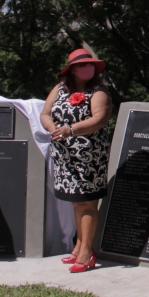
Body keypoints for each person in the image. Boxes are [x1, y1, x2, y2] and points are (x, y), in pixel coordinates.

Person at [40, 48, 113, 273]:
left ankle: (87, 252)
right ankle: (78, 245)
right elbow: (45, 113)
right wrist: (53, 129)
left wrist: (69, 130)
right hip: (65, 156)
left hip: (89, 157)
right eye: (82, 65)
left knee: (88, 203)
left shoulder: (99, 92)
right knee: (75, 202)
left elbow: (99, 119)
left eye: (90, 65)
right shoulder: (60, 89)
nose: (87, 68)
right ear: (72, 70)